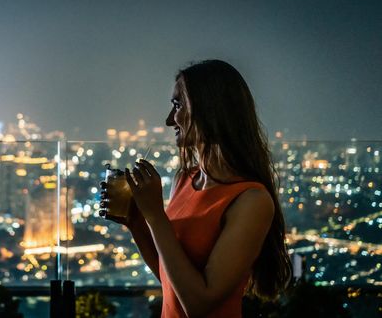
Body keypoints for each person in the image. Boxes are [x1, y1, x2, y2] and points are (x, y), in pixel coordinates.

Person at [100, 59, 291, 317]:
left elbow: (199, 304)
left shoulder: (251, 200)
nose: (169, 120)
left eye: (178, 105)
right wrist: (136, 221)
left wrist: (155, 215)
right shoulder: (184, 180)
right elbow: (171, 279)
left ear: (210, 109)